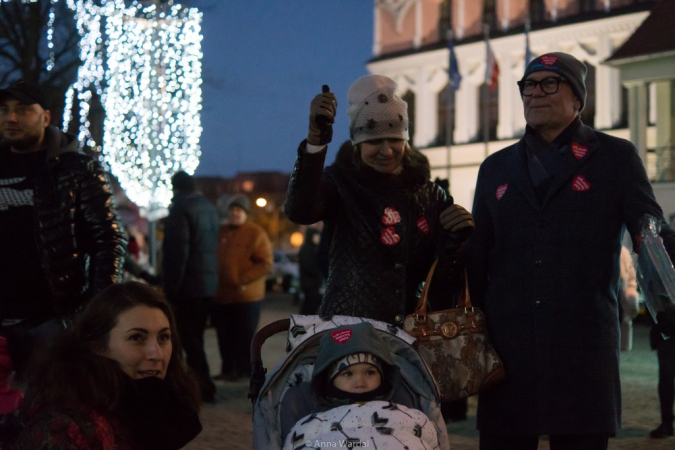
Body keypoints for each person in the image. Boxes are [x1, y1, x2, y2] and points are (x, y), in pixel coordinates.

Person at [466, 52, 675, 450]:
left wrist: (666, 266)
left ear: (578, 98)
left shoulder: (614, 157)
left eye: (550, 83)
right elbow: (477, 259)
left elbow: (651, 229)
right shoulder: (495, 167)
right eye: (529, 84)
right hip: (509, 350)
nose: (536, 93)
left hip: (582, 349)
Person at [284, 75, 474, 324]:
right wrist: (315, 143)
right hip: (351, 334)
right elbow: (300, 211)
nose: (386, 150)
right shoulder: (340, 183)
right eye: (374, 141)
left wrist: (456, 242)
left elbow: (444, 280)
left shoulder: (430, 195)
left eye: (395, 139)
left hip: (414, 335)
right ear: (357, 143)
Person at [0, 79, 126, 376]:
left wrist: (93, 311)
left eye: (22, 110)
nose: (11, 117)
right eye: (4, 110)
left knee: (53, 411)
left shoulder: (78, 169)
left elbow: (108, 239)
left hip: (51, 321)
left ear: (46, 117)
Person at [13, 281, 202, 449]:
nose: (157, 354)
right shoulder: (66, 428)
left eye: (163, 337)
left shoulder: (164, 409)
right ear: (97, 346)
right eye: (137, 338)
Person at [280, 322, 440, 449]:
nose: (361, 383)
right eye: (348, 374)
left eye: (370, 372)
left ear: (383, 375)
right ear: (328, 378)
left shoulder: (400, 398)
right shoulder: (304, 401)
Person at [161, 170, 220, 402]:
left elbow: (177, 253)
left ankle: (201, 387)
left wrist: (171, 287)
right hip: (206, 284)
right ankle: (201, 385)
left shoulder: (180, 209)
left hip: (187, 287)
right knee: (195, 339)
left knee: (187, 340)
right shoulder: (208, 207)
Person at [212, 194, 273, 381]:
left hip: (247, 297)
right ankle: (228, 369)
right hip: (222, 295)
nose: (235, 214)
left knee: (244, 336)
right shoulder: (220, 231)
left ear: (245, 213)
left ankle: (244, 371)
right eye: (232, 210)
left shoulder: (256, 233)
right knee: (224, 335)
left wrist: (243, 280)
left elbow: (265, 263)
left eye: (238, 210)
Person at [298, 225, 325, 315]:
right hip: (309, 283)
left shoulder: (311, 248)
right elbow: (308, 265)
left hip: (312, 283)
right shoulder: (307, 249)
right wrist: (318, 272)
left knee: (311, 305)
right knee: (309, 306)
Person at [619, 245, 639, 351]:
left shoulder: (621, 251)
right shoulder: (624, 251)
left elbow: (626, 279)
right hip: (627, 294)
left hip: (624, 295)